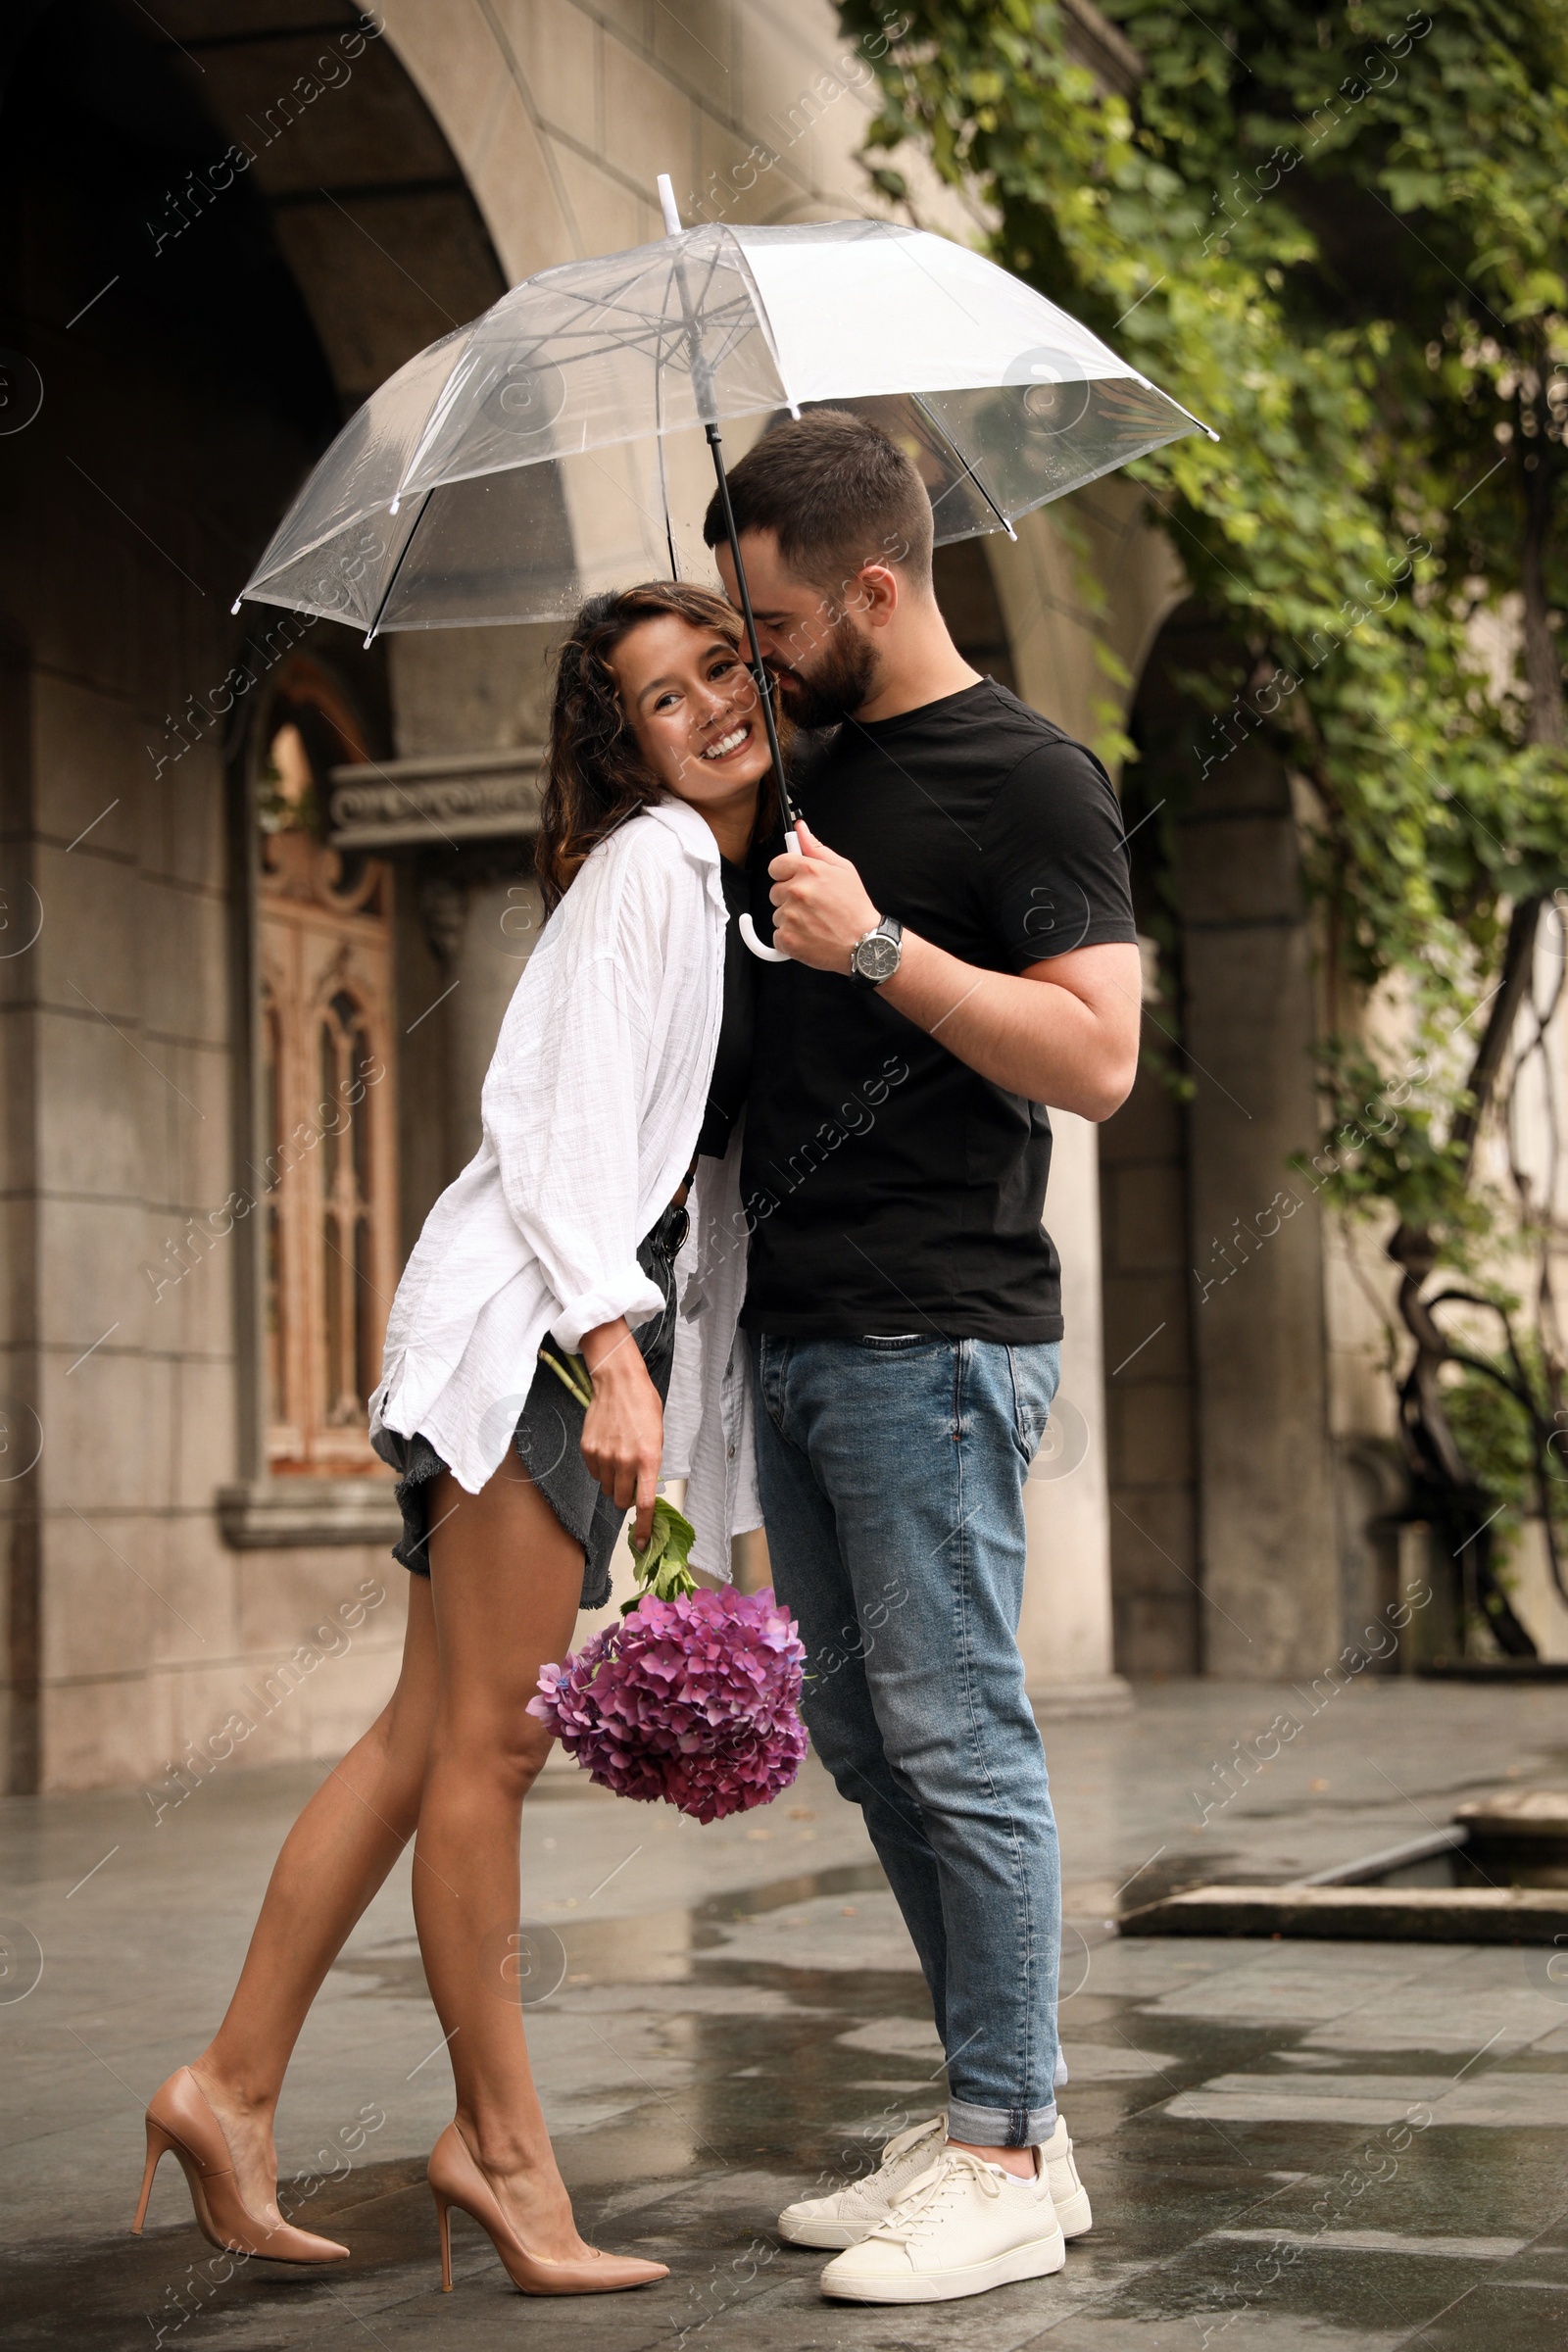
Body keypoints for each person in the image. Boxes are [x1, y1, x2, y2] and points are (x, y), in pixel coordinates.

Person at [131, 582, 771, 2298]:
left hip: (531, 1339)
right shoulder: (658, 866)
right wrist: (616, 1356)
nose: (710, 705)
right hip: (538, 1346)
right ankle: (499, 2154)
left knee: (429, 1739)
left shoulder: (719, 884)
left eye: (725, 666)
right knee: (485, 1753)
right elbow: (550, 1128)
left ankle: (229, 2087)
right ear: (621, 745)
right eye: (662, 698)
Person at [703, 410, 1141, 2305]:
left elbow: (1097, 1059)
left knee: (960, 1740)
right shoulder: (799, 775)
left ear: (876, 585)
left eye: (776, 619)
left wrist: (877, 944)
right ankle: (1000, 2112)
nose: (757, 652)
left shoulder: (1028, 777)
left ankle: (1004, 2144)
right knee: (870, 1743)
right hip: (793, 1331)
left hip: (934, 1331)